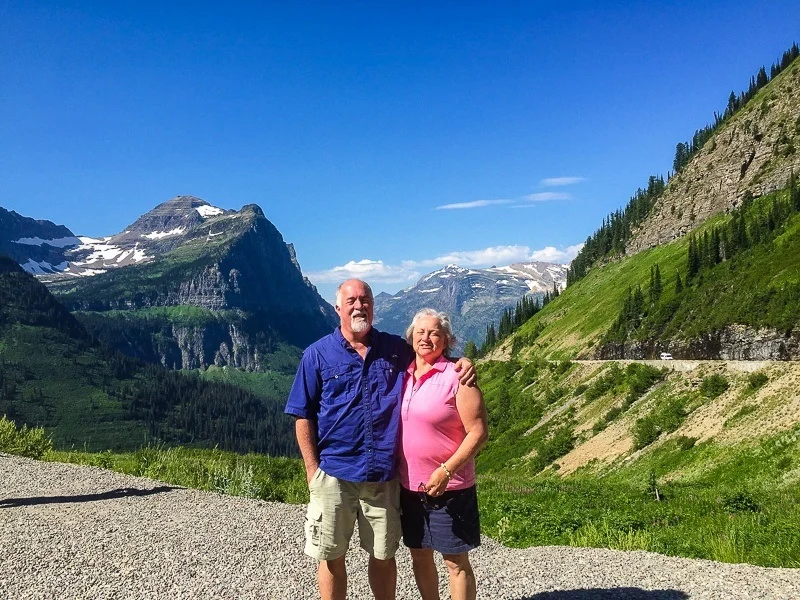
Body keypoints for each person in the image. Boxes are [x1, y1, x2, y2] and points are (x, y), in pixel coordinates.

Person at [285, 279, 475, 600]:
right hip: (334, 474)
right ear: (338, 309)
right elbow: (302, 414)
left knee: (384, 556)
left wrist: (462, 363)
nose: (359, 305)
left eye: (365, 299)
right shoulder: (316, 355)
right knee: (331, 557)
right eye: (351, 301)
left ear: (373, 305)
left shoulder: (395, 349)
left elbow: (431, 355)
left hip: (383, 476)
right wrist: (311, 470)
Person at [397, 308, 488, 600]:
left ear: (447, 340)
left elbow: (479, 431)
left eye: (434, 333)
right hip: (409, 485)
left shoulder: (459, 376)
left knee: (455, 562)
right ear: (410, 339)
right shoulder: (403, 374)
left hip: (451, 486)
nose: (426, 338)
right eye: (420, 332)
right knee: (420, 556)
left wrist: (447, 470)